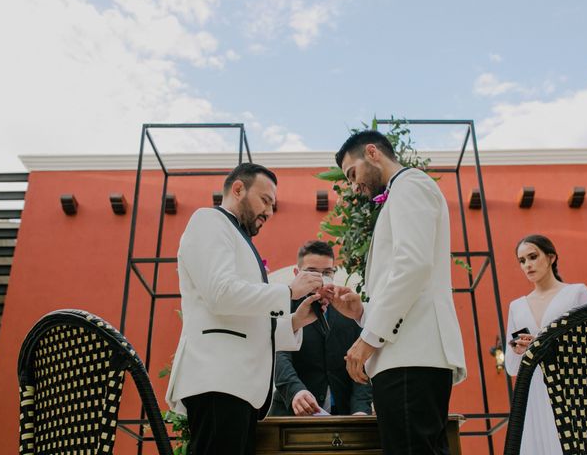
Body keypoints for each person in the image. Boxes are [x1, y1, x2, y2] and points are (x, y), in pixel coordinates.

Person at [165, 163, 325, 455]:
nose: (270, 212)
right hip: (219, 381)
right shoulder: (209, 221)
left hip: (239, 390)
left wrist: (295, 321)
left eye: (273, 205)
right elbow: (220, 294)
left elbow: (246, 320)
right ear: (238, 189)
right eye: (265, 200)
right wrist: (288, 291)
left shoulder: (238, 238)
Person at [327, 130, 467, 455]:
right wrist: (362, 312)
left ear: (373, 153)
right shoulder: (402, 192)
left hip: (410, 356)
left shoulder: (410, 185)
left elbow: (413, 265)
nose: (353, 186)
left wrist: (368, 340)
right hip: (407, 356)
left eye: (352, 173)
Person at [505, 234, 587, 455]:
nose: (528, 265)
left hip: (571, 386)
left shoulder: (576, 293)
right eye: (522, 261)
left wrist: (548, 344)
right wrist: (518, 349)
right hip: (534, 389)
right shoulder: (517, 307)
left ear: (551, 257)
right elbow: (512, 367)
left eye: (533, 257)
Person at [269, 240, 373, 417]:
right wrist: (296, 392)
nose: (319, 278)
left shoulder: (348, 308)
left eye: (326, 272)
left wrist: (360, 410)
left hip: (345, 415)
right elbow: (279, 356)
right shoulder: (282, 307)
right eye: (311, 272)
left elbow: (360, 363)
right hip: (292, 414)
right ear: (297, 273)